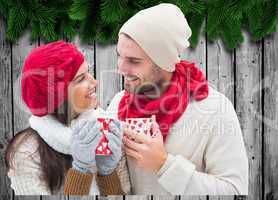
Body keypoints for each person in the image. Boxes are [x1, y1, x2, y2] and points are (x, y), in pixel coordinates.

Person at [106, 3, 249, 195]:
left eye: (133, 61)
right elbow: (110, 186)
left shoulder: (214, 109)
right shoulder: (119, 103)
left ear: (163, 62)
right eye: (120, 56)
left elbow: (234, 190)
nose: (120, 68)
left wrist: (164, 165)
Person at [5, 41, 130, 195]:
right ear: (57, 96)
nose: (95, 82)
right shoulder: (26, 152)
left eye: (88, 72)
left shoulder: (104, 128)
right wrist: (81, 169)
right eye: (80, 79)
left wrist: (107, 172)